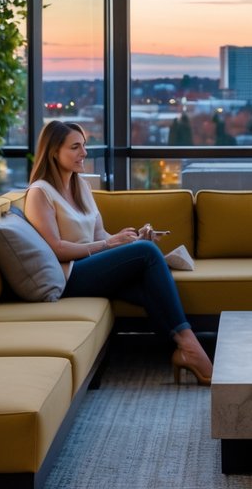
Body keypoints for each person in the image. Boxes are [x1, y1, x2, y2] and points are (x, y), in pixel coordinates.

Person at [23, 120, 213, 385]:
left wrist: (127, 240)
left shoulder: (81, 186)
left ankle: (183, 348)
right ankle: (191, 348)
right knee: (147, 253)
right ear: (54, 152)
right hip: (69, 275)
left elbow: (99, 234)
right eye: (75, 147)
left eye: (84, 146)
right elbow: (56, 249)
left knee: (146, 272)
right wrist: (110, 245)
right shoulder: (40, 193)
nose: (84, 153)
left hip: (92, 265)